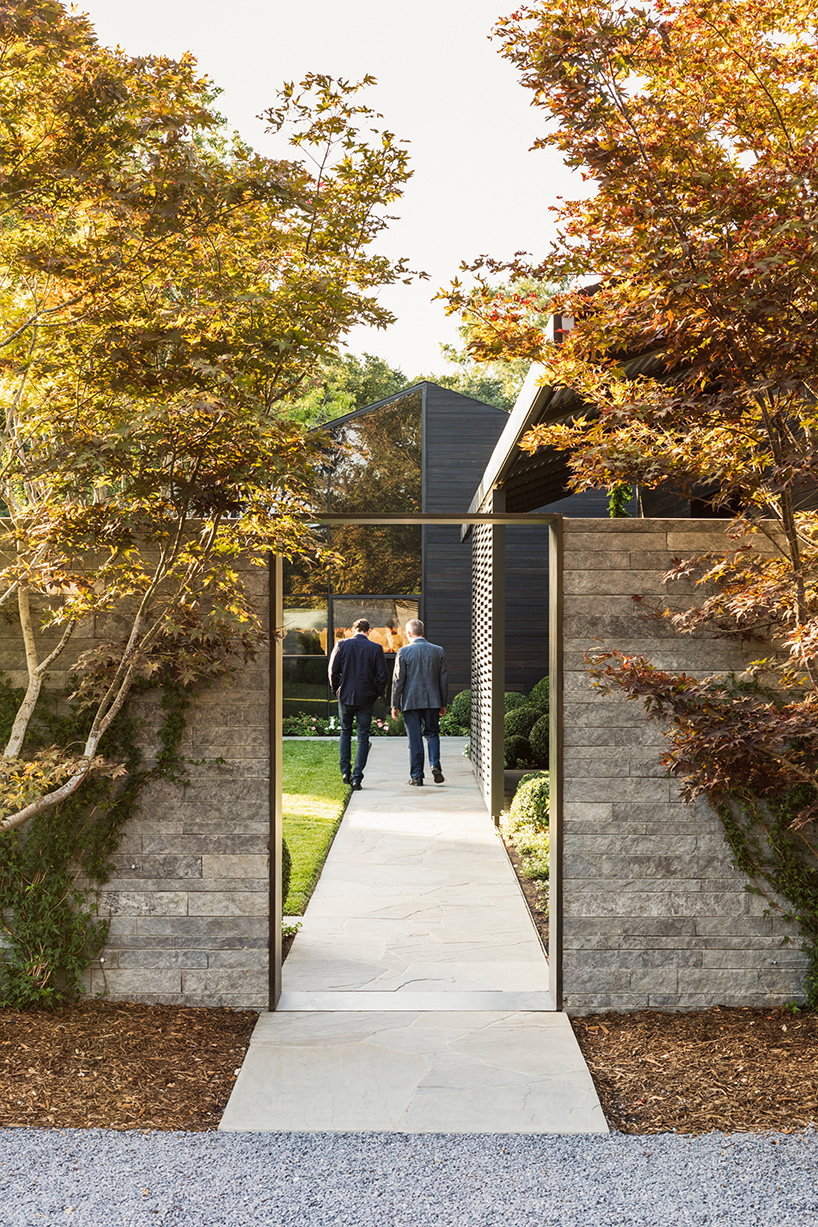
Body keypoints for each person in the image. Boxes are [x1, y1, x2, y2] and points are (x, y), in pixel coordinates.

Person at [328, 617, 387, 790]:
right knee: (363, 736)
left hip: (346, 696)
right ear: (368, 631)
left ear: (353, 630)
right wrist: (375, 693)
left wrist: (337, 691)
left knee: (345, 732)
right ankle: (357, 777)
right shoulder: (375, 648)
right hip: (366, 698)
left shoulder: (341, 644)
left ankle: (345, 772)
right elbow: (382, 676)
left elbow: (332, 672)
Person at [391, 618, 448, 786]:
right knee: (432, 733)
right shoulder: (438, 651)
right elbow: (443, 680)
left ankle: (417, 776)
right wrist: (443, 702)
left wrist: (395, 705)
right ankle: (434, 765)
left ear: (408, 633)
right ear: (422, 632)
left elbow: (398, 681)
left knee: (414, 739)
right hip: (432, 700)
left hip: (411, 701)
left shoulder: (403, 652)